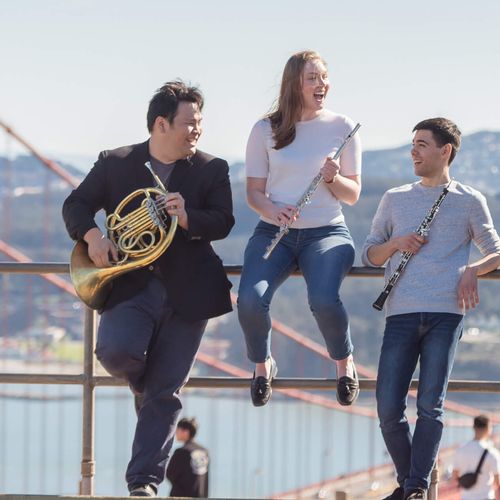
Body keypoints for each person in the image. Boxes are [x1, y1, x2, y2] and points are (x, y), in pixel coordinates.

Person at [62, 80, 234, 497]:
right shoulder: (116, 162)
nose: (198, 130)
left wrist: (188, 217)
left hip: (190, 293)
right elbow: (76, 205)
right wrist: (94, 238)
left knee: (165, 392)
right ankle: (149, 389)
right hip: (131, 284)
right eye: (190, 123)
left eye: (200, 122)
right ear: (161, 124)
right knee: (115, 354)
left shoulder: (213, 168)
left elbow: (224, 221)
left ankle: (143, 483)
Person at [361, 117, 500, 500]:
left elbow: (497, 251)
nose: (413, 151)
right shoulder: (394, 198)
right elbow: (370, 253)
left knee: (430, 406)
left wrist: (474, 268)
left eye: (422, 144)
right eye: (413, 144)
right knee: (388, 407)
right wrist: (395, 244)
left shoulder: (470, 200)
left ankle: (415, 487)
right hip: (400, 312)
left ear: (445, 151)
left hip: (445, 313)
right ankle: (411, 484)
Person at [237, 50, 362, 407]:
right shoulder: (264, 129)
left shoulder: (343, 127)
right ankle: (263, 365)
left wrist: (333, 179)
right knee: (249, 300)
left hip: (326, 233)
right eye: (312, 78)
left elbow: (352, 195)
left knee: (323, 299)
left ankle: (344, 363)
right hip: (273, 230)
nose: (321, 84)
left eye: (324, 76)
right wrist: (274, 210)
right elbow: (253, 193)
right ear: (295, 84)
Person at [453, 415, 500, 500]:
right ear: (488, 429)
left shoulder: (461, 449)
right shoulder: (492, 453)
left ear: (474, 428)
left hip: (466, 497)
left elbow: (455, 475)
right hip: (486, 496)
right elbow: (498, 482)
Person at [166, 417, 209, 498]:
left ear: (186, 432)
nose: (176, 432)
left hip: (181, 496)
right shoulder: (205, 452)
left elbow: (170, 474)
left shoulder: (182, 452)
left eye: (178, 429)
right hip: (200, 497)